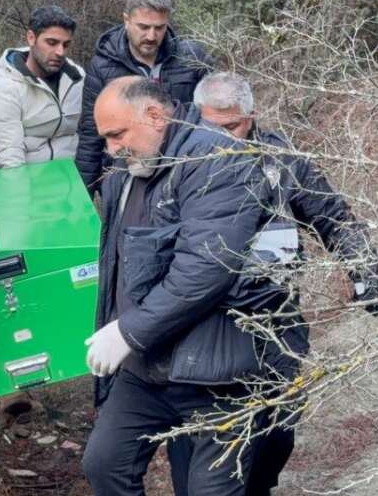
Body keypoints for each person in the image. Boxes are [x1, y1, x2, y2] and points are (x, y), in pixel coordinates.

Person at [164, 72, 378, 496]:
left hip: (275, 317)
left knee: (278, 431)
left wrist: (366, 268)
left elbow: (333, 216)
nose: (222, 139)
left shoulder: (283, 160)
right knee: (197, 441)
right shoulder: (178, 164)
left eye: (232, 127)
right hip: (203, 322)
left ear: (252, 116)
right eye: (211, 127)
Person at [80, 76, 267, 496]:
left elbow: (206, 268)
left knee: (208, 491)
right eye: (106, 138)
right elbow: (116, 266)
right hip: (147, 365)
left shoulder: (219, 160)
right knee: (105, 464)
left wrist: (128, 332)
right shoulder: (126, 172)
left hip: (217, 370)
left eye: (117, 134)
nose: (111, 148)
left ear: (154, 115)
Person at [75, 0, 213, 194]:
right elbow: (91, 133)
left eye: (159, 28)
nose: (151, 36)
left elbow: (213, 117)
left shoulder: (191, 58)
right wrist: (83, 194)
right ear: (126, 20)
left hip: (182, 167)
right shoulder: (103, 66)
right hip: (126, 169)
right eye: (143, 27)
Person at [0, 5, 86, 169]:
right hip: (19, 178)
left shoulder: (77, 78)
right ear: (31, 38)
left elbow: (91, 134)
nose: (60, 52)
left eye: (66, 45)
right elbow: (9, 159)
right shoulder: (6, 88)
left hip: (66, 177)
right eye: (52, 43)